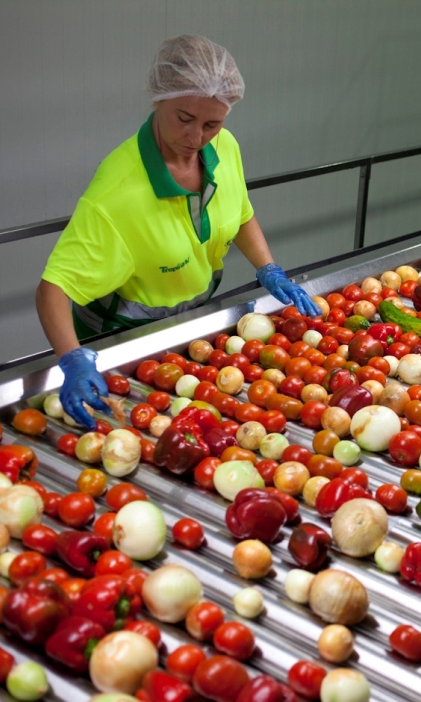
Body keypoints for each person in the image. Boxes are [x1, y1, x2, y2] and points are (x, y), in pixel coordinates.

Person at [36, 35, 320, 429]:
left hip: (192, 326)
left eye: (211, 124)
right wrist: (73, 359)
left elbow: (239, 214)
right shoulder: (117, 194)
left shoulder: (224, 147)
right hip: (125, 342)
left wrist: (268, 268)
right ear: (158, 99)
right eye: (184, 119)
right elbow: (53, 288)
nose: (196, 138)